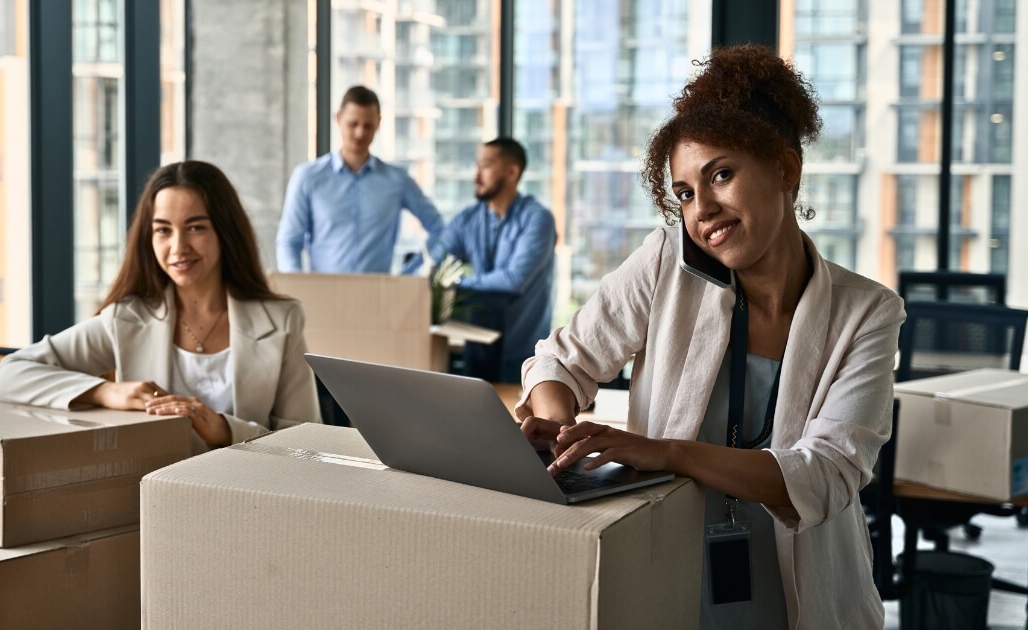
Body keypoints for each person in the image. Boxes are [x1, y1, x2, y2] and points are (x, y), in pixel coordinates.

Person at [517, 45, 902, 629]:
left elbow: (825, 476)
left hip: (800, 595)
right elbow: (560, 362)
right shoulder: (667, 262)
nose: (703, 211)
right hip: (668, 569)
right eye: (685, 193)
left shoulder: (867, 313)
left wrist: (666, 453)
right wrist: (559, 424)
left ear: (786, 169)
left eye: (721, 174)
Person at [0, 160, 321, 451]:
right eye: (163, 230)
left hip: (251, 502)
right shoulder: (127, 319)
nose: (178, 247)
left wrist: (224, 429)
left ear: (225, 232)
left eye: (195, 227)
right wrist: (107, 392)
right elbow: (7, 375)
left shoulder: (282, 320)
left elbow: (308, 445)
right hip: (149, 503)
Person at [275, 85, 444, 274]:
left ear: (378, 123)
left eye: (368, 126)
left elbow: (439, 228)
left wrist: (409, 273)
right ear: (338, 119)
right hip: (322, 294)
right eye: (353, 124)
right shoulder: (307, 178)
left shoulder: (397, 181)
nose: (360, 133)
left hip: (379, 296)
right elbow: (289, 241)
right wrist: (296, 285)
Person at [430, 137, 556, 383]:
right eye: (477, 165)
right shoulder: (467, 219)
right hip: (477, 352)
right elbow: (435, 265)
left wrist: (457, 283)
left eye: (486, 166)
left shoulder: (537, 219)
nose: (477, 175)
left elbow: (513, 280)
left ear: (512, 172)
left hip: (523, 356)